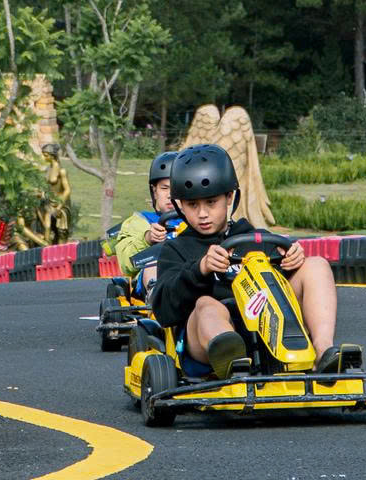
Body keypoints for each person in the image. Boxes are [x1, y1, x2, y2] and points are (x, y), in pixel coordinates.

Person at [147, 144, 344, 377]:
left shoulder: (255, 238)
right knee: (206, 305)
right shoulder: (176, 249)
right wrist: (201, 269)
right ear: (180, 205)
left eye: (211, 202)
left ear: (229, 197)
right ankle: (234, 362)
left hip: (263, 324)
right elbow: (163, 311)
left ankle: (322, 351)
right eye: (193, 205)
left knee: (316, 265)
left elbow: (280, 284)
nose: (202, 214)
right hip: (205, 340)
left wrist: (293, 260)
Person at [107, 151, 181, 285]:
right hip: (156, 280)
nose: (170, 195)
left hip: (192, 275)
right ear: (155, 191)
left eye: (176, 188)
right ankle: (156, 291)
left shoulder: (200, 219)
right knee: (153, 266)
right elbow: (126, 263)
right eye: (164, 188)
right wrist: (148, 239)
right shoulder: (140, 221)